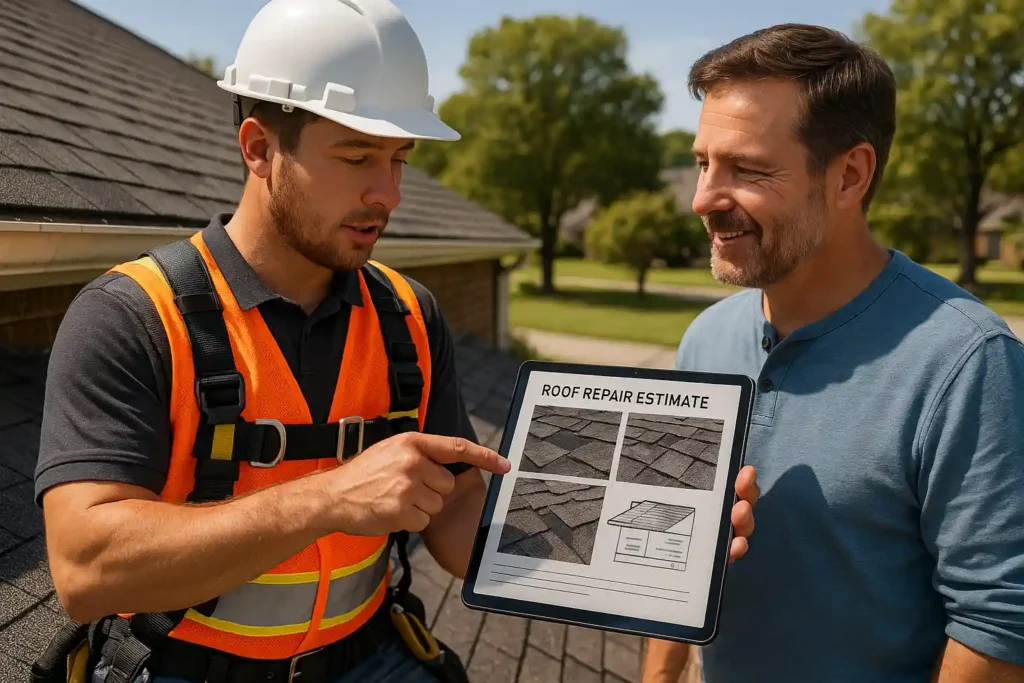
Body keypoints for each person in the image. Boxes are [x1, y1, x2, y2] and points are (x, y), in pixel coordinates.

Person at [33, 2, 761, 682]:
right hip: (181, 663)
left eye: (399, 158)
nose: (388, 193)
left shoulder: (408, 316)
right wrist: (328, 498)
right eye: (356, 158)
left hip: (370, 653)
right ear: (259, 148)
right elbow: (86, 570)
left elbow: (454, 518)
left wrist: (649, 539)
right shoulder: (134, 315)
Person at [641, 22, 1024, 683]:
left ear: (850, 175)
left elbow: (999, 626)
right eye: (705, 162)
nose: (703, 198)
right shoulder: (704, 337)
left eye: (748, 168)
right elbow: (674, 553)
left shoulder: (969, 361)